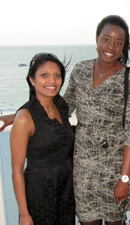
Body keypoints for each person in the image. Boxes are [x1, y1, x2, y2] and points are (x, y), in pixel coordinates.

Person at [1, 15, 130, 225]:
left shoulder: (129, 78)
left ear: (123, 48)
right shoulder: (81, 70)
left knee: (115, 221)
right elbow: (62, 106)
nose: (111, 47)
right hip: (82, 163)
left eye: (118, 42)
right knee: (87, 220)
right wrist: (19, 116)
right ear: (96, 39)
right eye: (106, 39)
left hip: (114, 164)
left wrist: (124, 178)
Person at [10, 53, 75, 225]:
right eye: (44, 75)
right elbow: (17, 171)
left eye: (57, 75)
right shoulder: (24, 118)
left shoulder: (61, 106)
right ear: (32, 79)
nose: (52, 81)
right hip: (39, 195)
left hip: (66, 191)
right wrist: (24, 214)